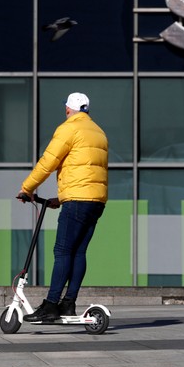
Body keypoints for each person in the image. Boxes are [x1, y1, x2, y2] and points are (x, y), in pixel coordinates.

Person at [18, 92, 108, 322]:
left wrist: (27, 188)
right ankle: (68, 304)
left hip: (78, 200)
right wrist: (62, 198)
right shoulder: (98, 132)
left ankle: (50, 304)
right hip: (96, 201)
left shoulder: (69, 128)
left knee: (62, 251)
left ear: (68, 109)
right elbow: (88, 171)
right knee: (79, 252)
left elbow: (48, 162)